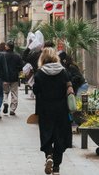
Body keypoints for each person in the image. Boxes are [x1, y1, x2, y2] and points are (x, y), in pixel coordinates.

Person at [33, 47, 73, 175]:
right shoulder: (63, 72)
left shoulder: (39, 73)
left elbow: (35, 90)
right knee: (59, 136)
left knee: (46, 133)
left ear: (43, 58)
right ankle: (56, 167)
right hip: (61, 109)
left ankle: (49, 154)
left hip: (45, 109)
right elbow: (68, 86)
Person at [3, 40, 24, 116]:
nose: (5, 46)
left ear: (8, 47)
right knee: (14, 93)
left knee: (5, 92)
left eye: (6, 45)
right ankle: (12, 109)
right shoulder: (17, 56)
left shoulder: (3, 55)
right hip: (14, 77)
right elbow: (21, 66)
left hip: (5, 77)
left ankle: (5, 102)